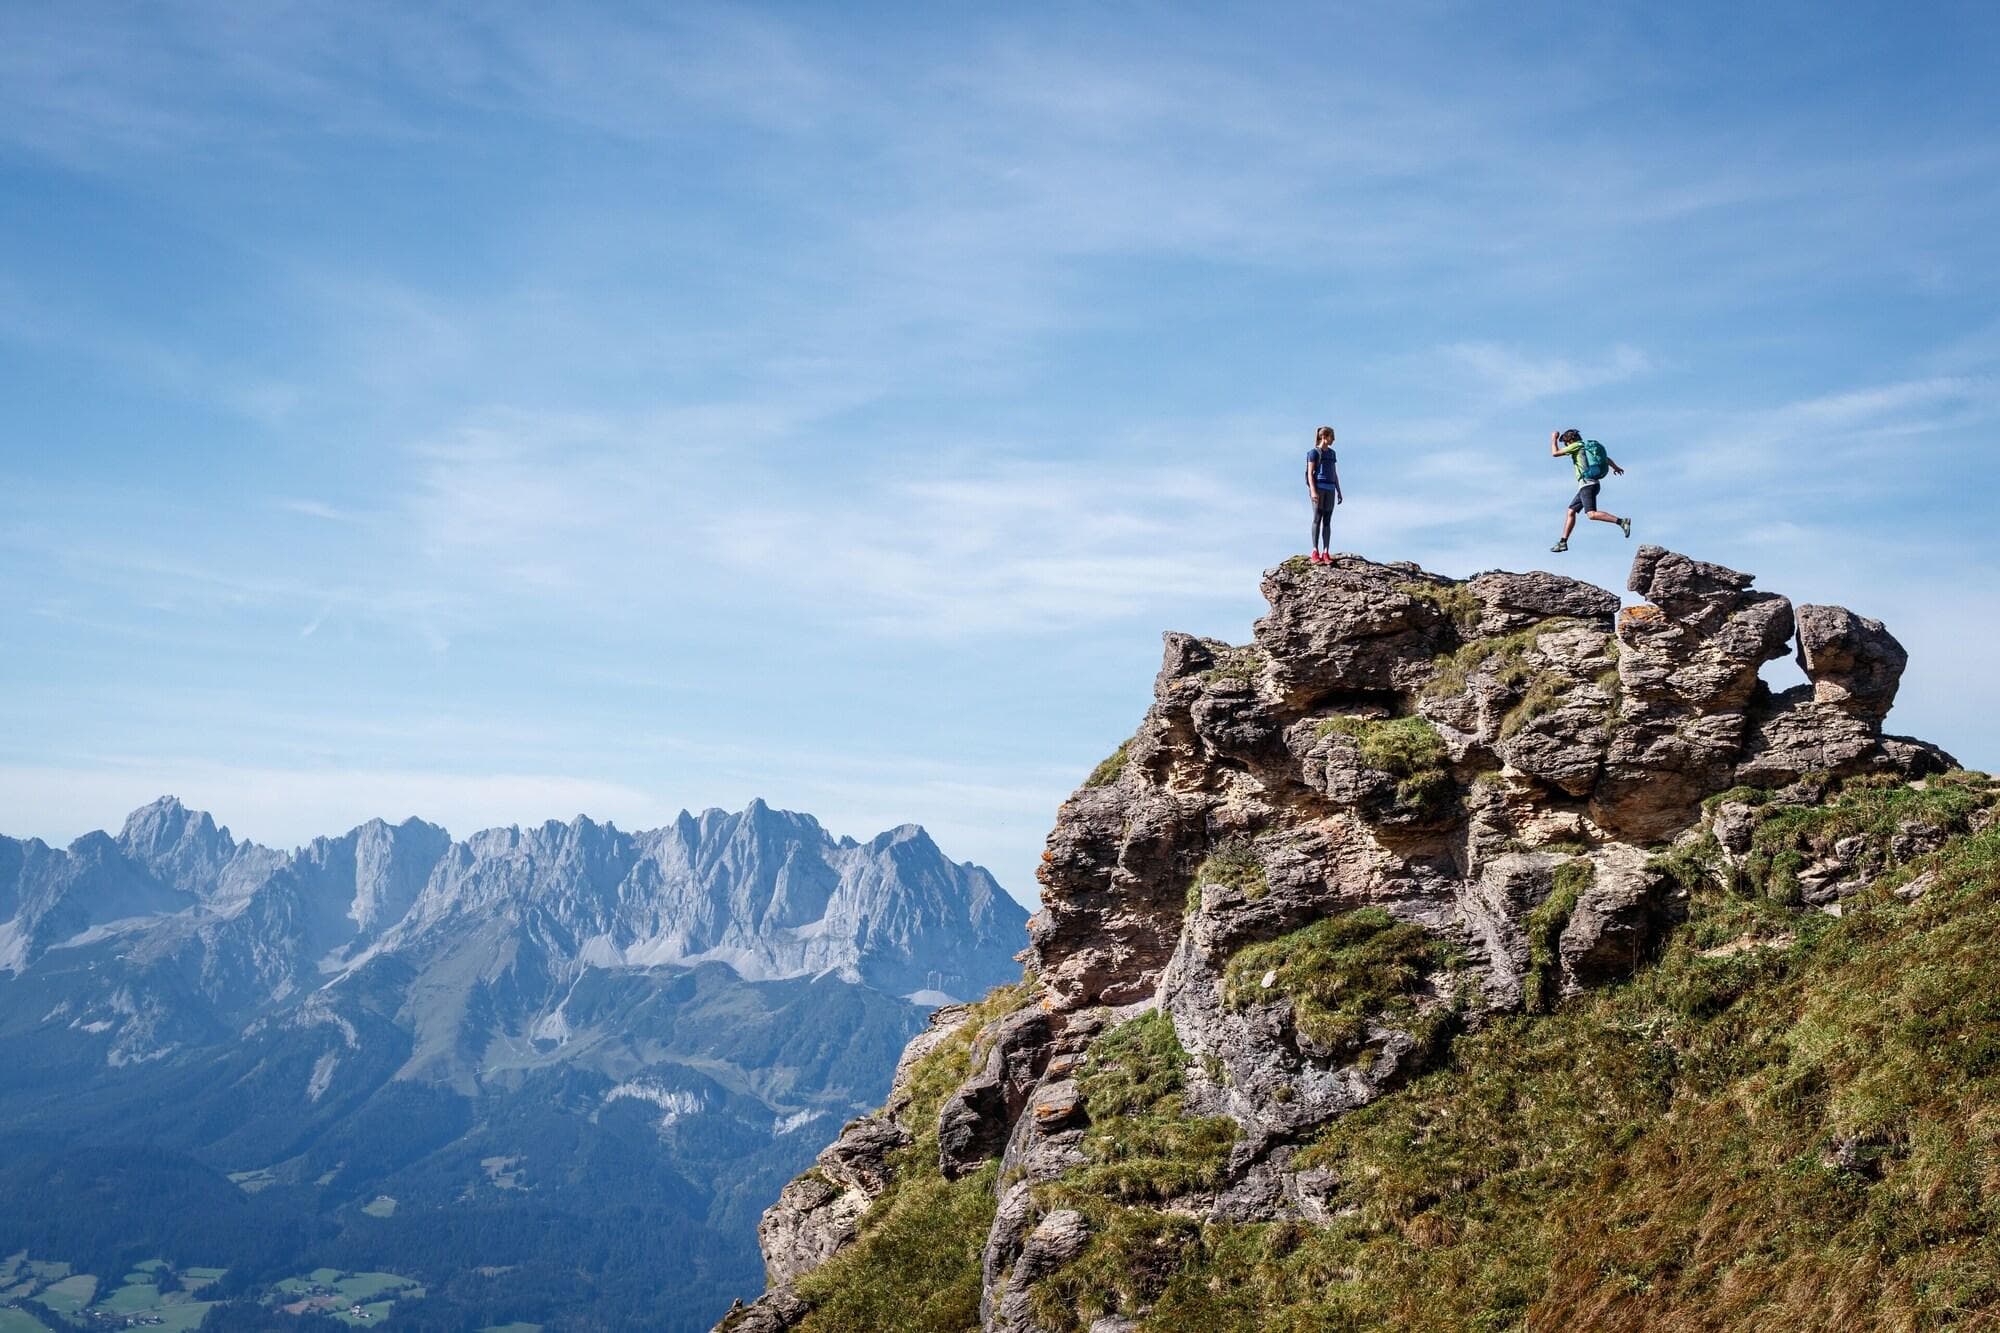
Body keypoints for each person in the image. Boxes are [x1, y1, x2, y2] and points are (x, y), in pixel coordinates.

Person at [1549, 428, 1632, 553]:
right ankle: (1563, 542)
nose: (1565, 446)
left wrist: (1554, 438)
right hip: (1588, 485)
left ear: (1570, 440)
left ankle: (1621, 521)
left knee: (1591, 514)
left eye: (1565, 443)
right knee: (1571, 511)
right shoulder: (1587, 447)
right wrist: (1615, 467)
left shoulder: (1576, 445)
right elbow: (1606, 459)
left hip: (1587, 485)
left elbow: (1555, 453)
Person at [1305, 425, 1343, 563]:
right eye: (1331, 437)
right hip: (1319, 488)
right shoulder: (1313, 453)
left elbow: (1334, 473)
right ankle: (1315, 551)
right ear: (1324, 437)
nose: (1333, 440)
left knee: (1327, 520)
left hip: (1330, 488)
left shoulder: (1332, 454)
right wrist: (1313, 491)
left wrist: (1338, 490)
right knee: (1317, 518)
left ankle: (1326, 552)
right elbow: (1310, 473)